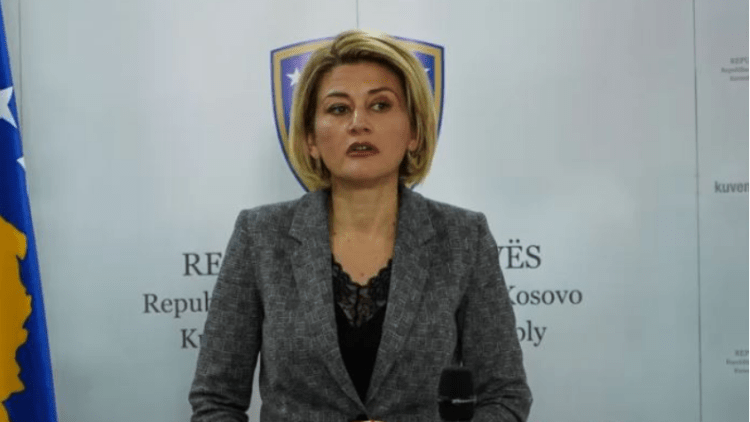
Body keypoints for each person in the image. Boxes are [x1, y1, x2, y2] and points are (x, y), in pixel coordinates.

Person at [189, 29, 532, 421]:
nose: (358, 123)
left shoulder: (463, 238)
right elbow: (216, 400)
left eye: (380, 105)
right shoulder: (260, 236)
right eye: (338, 109)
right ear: (311, 139)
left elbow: (505, 395)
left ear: (414, 132)